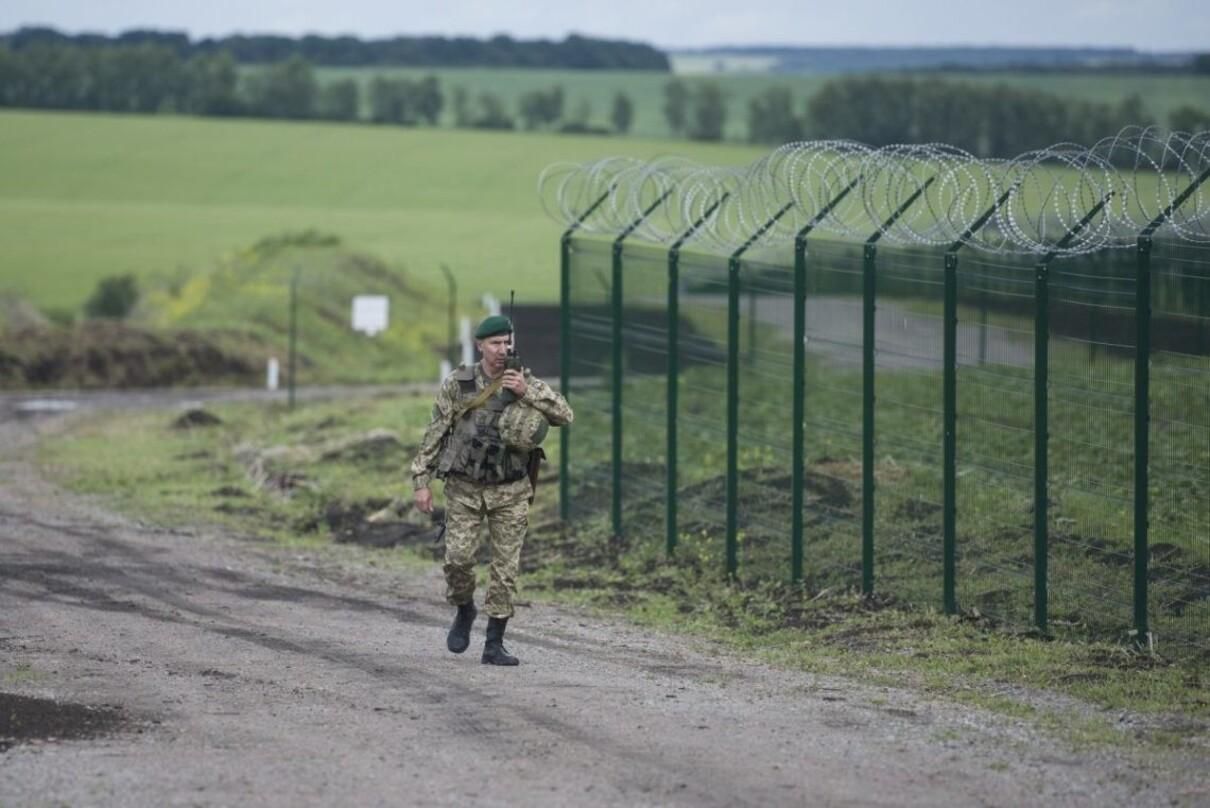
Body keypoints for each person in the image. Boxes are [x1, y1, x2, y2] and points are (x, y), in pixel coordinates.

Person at [410, 314, 573, 666]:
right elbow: (436, 431)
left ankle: (494, 643)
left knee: (505, 569)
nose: (503, 350)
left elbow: (565, 415)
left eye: (507, 343)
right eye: (495, 343)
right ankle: (464, 609)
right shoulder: (460, 383)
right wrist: (421, 481)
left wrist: (525, 393)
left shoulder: (524, 381)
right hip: (464, 488)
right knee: (458, 561)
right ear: (480, 346)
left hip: (511, 489)